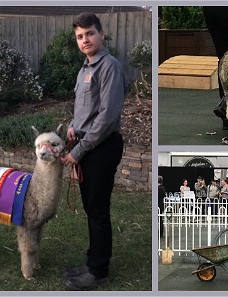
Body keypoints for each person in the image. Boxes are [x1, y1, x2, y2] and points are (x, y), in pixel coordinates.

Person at [61, 12, 129, 291]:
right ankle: (92, 262)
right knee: (91, 207)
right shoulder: (85, 69)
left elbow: (107, 117)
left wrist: (78, 151)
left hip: (101, 146)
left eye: (89, 33)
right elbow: (87, 110)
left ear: (101, 34)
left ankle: (98, 271)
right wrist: (73, 127)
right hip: (87, 143)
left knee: (98, 209)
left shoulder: (109, 66)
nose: (85, 39)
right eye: (80, 36)